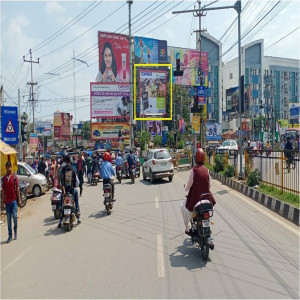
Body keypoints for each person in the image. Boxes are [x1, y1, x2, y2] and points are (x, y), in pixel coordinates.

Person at [182, 148, 216, 237]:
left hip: (196, 199)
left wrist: (185, 187)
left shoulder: (194, 170)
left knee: (183, 206)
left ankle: (188, 228)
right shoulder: (207, 170)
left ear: (195, 159)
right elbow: (209, 186)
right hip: (207, 198)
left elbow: (189, 185)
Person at [1, 161, 22, 243]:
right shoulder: (4, 178)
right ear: (6, 168)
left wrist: (19, 200)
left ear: (11, 167)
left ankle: (15, 230)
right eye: (7, 168)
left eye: (9, 167)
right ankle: (10, 236)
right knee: (9, 220)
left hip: (13, 202)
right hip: (7, 202)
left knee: (15, 217)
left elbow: (17, 189)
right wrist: (2, 203)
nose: (8, 169)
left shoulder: (14, 177)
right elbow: (3, 191)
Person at [58, 154, 80, 227]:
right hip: (71, 191)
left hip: (64, 191)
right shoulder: (73, 169)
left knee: (61, 203)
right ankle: (78, 215)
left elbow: (61, 181)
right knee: (76, 195)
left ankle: (59, 221)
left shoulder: (63, 169)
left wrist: (63, 190)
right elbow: (76, 182)